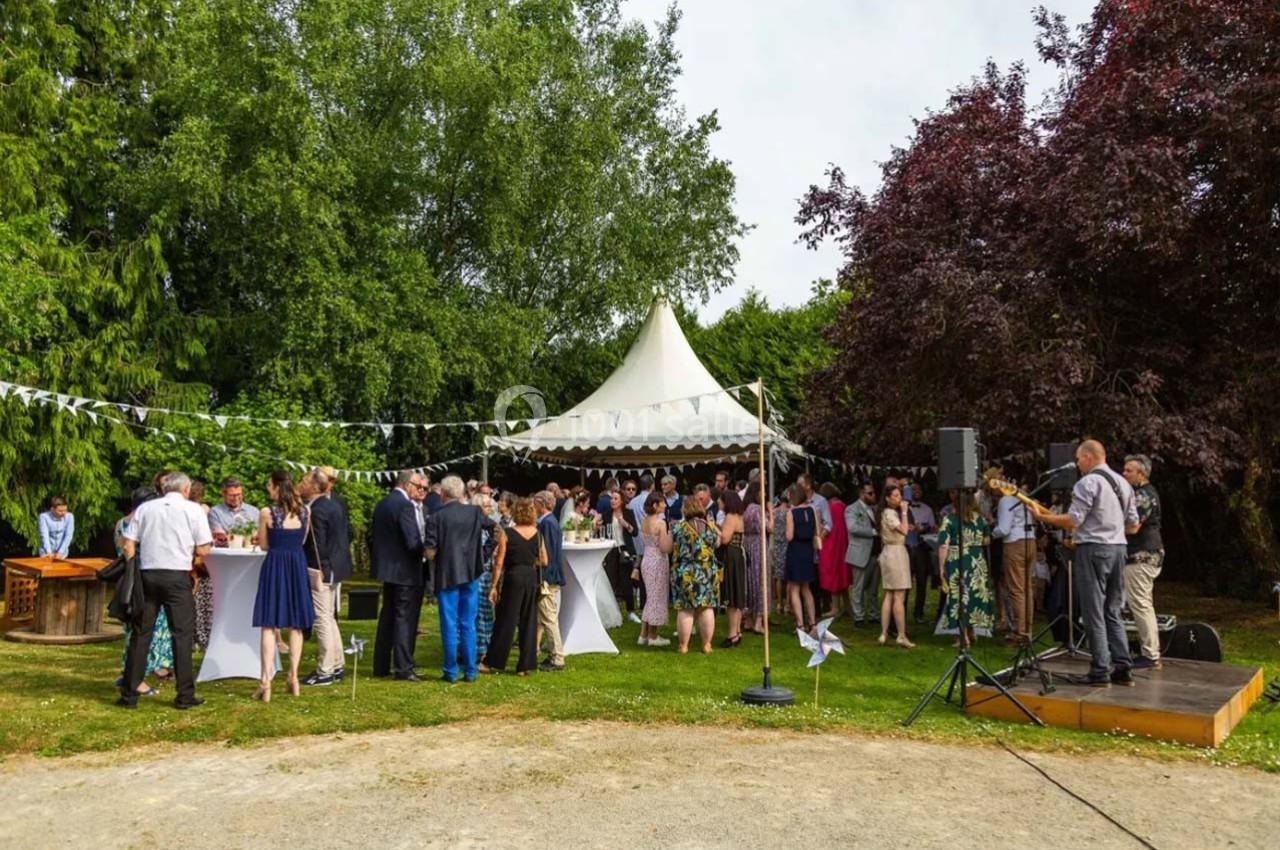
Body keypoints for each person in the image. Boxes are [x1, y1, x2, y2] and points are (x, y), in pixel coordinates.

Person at [1031, 440, 1140, 687]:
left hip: (1093, 549)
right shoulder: (1123, 483)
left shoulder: (1088, 482)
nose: (1078, 464)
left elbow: (1073, 520)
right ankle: (1123, 667)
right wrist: (1111, 526)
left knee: (1093, 611)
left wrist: (1044, 517)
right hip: (1119, 549)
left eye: (1079, 459)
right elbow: (1133, 524)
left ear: (1089, 457)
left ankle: (1100, 670)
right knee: (1112, 609)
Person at [118, 471, 211, 710]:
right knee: (181, 634)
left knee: (141, 634)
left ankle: (129, 694)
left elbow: (127, 542)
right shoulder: (194, 510)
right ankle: (184, 694)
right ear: (186, 489)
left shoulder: (146, 509)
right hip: (177, 576)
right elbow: (203, 550)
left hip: (148, 574)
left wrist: (132, 568)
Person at [251, 470, 315, 701]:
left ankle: (265, 682)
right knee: (295, 624)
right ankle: (293, 677)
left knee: (269, 624)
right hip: (297, 564)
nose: (268, 489)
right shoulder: (306, 511)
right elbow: (303, 539)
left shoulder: (267, 512)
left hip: (275, 564)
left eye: (269, 485)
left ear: (277, 487)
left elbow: (265, 545)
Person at [425, 475, 493, 683]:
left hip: (446, 575)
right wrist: (483, 554)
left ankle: (451, 670)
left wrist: (432, 555)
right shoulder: (473, 512)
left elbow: (429, 551)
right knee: (468, 623)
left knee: (449, 623)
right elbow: (495, 530)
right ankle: (471, 670)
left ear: (444, 494)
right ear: (462, 493)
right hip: (471, 573)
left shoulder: (436, 517)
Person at [371, 471, 428, 681]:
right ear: (407, 484)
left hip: (387, 569)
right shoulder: (405, 506)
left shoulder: (383, 503)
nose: (419, 489)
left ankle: (381, 664)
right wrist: (427, 550)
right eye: (417, 485)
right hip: (405, 570)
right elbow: (412, 542)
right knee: (404, 619)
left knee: (387, 616)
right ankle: (404, 667)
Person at [114, 486, 169, 697]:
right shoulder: (144, 523)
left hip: (126, 581)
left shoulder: (121, 523)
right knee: (147, 632)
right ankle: (137, 679)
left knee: (131, 630)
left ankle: (127, 673)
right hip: (144, 582)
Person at [300, 469, 353, 687]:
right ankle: (337, 663)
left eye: (304, 481)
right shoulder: (334, 506)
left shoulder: (317, 510)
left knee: (321, 618)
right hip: (336, 567)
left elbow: (318, 544)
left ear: (314, 486)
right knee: (329, 617)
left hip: (322, 569)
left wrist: (320, 570)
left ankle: (325, 670)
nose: (301, 484)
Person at [482, 497, 545, 675]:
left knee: (506, 620)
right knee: (529, 620)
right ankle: (525, 665)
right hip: (531, 577)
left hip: (514, 576)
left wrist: (494, 586)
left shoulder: (507, 533)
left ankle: (493, 662)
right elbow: (544, 559)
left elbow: (499, 562)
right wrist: (529, 560)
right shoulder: (537, 533)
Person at [934, 491, 994, 647]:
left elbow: (943, 544)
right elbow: (987, 540)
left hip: (958, 559)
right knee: (973, 595)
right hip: (977, 561)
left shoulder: (950, 520)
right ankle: (972, 631)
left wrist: (941, 567)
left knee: (959, 596)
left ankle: (963, 636)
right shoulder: (980, 519)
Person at [1122, 454, 1164, 670]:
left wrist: (1106, 531)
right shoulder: (1141, 493)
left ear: (1142, 473)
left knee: (1140, 604)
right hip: (1143, 554)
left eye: (1129, 470)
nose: (1124, 473)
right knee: (1141, 603)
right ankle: (1150, 651)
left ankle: (1150, 655)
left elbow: (1132, 526)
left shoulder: (1144, 495)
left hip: (1141, 555)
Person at [667, 497, 721, 654]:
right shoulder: (710, 527)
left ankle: (683, 645)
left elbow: (669, 547)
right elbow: (717, 543)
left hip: (685, 572)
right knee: (706, 608)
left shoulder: (677, 528)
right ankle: (706, 644)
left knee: (685, 609)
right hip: (707, 571)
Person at [877, 483, 914, 648]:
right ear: (887, 499)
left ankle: (884, 633)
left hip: (889, 551)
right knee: (898, 596)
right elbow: (904, 530)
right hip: (895, 554)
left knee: (889, 594)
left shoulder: (886, 513)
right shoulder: (890, 513)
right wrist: (905, 512)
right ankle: (901, 635)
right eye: (896, 496)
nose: (900, 499)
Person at [472, 492, 507, 665]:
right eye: (487, 506)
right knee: (479, 612)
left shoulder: (486, 526)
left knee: (486, 611)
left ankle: (484, 647)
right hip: (480, 573)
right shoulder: (477, 526)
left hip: (486, 573)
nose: (491, 509)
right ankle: (480, 649)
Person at [534, 491, 566, 672]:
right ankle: (553, 654)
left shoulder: (548, 523)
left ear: (542, 504)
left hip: (548, 577)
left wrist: (544, 576)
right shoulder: (549, 522)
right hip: (549, 575)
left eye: (535, 503)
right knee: (546, 617)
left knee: (548, 618)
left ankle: (557, 658)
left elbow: (549, 554)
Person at [637, 492, 672, 647]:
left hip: (647, 559)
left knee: (651, 598)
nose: (665, 505)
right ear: (655, 505)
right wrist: (670, 535)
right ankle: (653, 636)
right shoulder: (660, 523)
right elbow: (665, 547)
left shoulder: (644, 521)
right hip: (658, 560)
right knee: (656, 599)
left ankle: (643, 634)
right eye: (662, 502)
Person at [784, 484, 822, 632]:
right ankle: (812, 623)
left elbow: (789, 536)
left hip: (795, 551)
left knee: (794, 588)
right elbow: (817, 532)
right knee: (806, 588)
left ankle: (800, 624)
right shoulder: (813, 510)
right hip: (808, 551)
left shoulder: (791, 513)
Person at [717, 490, 748, 648]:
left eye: (720, 500)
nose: (718, 502)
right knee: (737, 595)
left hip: (732, 556)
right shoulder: (739, 516)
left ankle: (732, 634)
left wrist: (714, 528)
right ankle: (737, 631)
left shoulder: (730, 517)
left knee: (731, 596)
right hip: (738, 555)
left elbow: (724, 538)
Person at [844, 483, 879, 625]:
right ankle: (858, 616)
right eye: (870, 493)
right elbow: (852, 528)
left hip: (875, 552)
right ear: (861, 493)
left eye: (873, 493)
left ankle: (873, 614)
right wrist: (873, 532)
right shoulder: (851, 509)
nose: (873, 496)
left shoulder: (875, 509)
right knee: (859, 586)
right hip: (860, 551)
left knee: (874, 587)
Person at [601, 490, 638, 620]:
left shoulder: (628, 513)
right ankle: (612, 612)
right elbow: (603, 531)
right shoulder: (606, 515)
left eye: (615, 498)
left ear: (621, 501)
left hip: (624, 550)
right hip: (611, 550)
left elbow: (635, 533)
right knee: (611, 580)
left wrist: (626, 524)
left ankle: (631, 611)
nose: (612, 501)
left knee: (626, 581)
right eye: (611, 498)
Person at [905, 485, 938, 625]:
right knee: (905, 582)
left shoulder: (927, 509)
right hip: (906, 546)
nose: (916, 492)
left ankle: (919, 613)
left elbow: (934, 528)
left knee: (922, 581)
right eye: (913, 490)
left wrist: (923, 528)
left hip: (921, 547)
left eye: (918, 490)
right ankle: (902, 611)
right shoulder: (903, 508)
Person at [817, 483, 851, 618]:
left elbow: (826, 527)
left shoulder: (830, 508)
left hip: (831, 544)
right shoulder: (843, 506)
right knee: (842, 575)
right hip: (843, 545)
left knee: (833, 575)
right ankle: (848, 606)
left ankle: (835, 607)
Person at [741, 478, 768, 635]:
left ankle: (748, 619)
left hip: (748, 545)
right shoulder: (758, 509)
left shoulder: (745, 508)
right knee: (761, 581)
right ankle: (759, 620)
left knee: (750, 581)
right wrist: (770, 514)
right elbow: (766, 528)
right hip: (759, 545)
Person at [769, 490, 790, 617]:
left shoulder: (774, 512)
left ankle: (779, 603)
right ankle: (788, 604)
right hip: (787, 544)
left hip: (776, 544)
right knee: (787, 577)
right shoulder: (789, 512)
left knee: (778, 576)